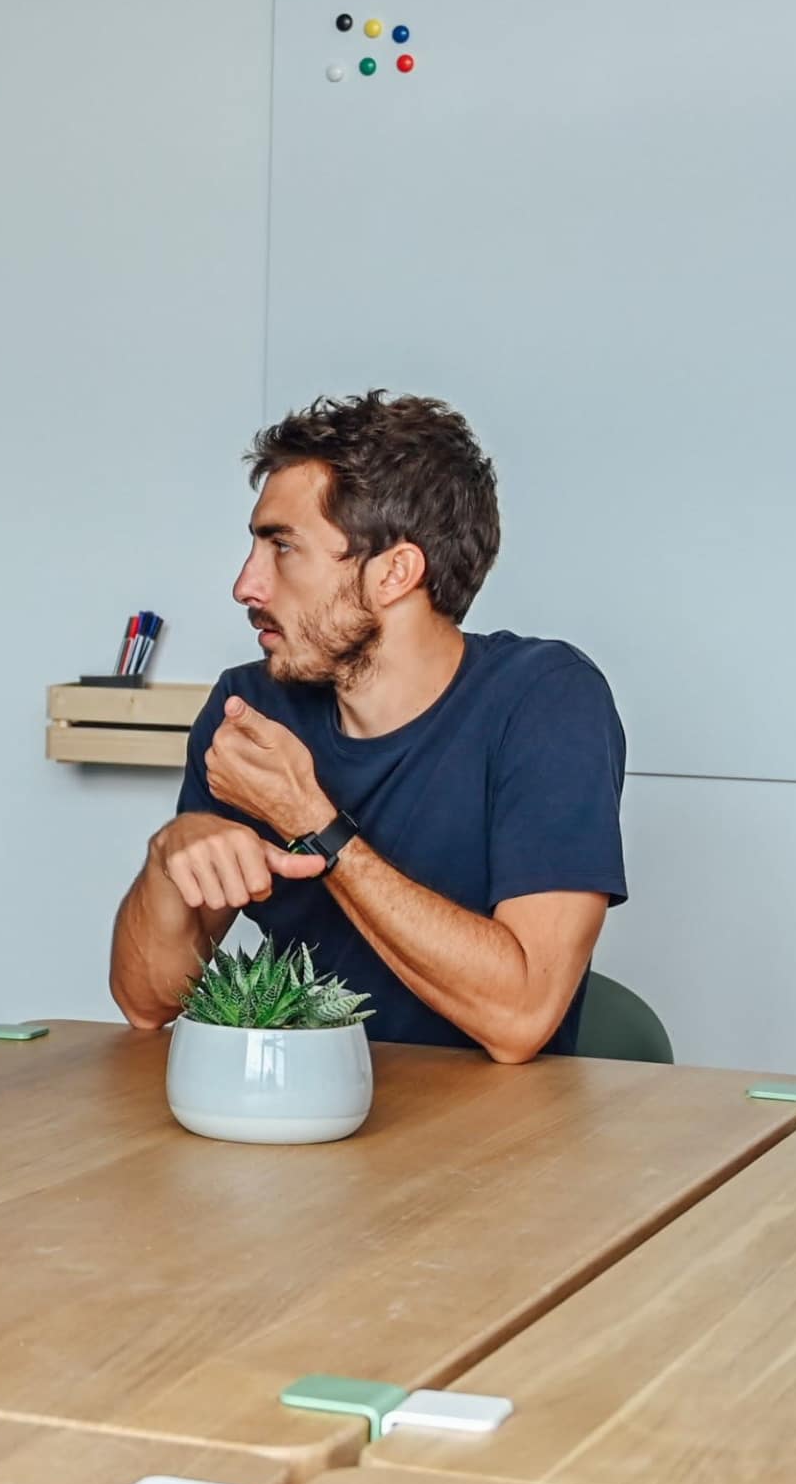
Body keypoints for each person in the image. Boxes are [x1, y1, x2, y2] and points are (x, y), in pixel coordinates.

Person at [110, 391, 627, 1062]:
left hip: (495, 1146)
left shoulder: (545, 701)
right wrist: (168, 858)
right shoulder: (250, 709)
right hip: (302, 1121)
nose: (245, 585)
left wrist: (312, 821)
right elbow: (145, 1004)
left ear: (394, 573)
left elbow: (522, 1016)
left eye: (283, 547)